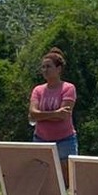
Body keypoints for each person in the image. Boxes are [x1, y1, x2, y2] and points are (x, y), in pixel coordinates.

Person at [29, 47, 78, 182]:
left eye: (49, 66)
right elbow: (33, 114)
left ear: (58, 69)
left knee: (66, 179)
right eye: (43, 67)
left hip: (64, 140)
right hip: (41, 139)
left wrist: (43, 115)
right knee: (42, 178)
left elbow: (63, 115)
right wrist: (54, 113)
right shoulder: (38, 90)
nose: (45, 70)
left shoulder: (68, 88)